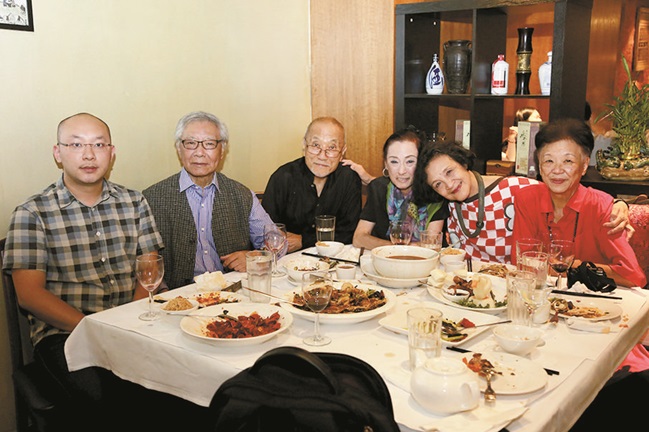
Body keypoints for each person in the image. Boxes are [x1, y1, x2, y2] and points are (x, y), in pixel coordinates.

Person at [2, 113, 165, 430]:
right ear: (58, 153)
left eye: (98, 145)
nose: (89, 155)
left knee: (179, 387)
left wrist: (128, 323)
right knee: (107, 401)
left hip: (133, 322)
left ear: (111, 152)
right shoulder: (32, 212)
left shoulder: (134, 201)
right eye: (76, 145)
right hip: (66, 334)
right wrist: (96, 331)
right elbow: (29, 295)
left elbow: (149, 268)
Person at [413, 139, 631, 265]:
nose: (449, 185)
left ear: (463, 163)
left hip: (522, 286)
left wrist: (618, 204)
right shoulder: (450, 206)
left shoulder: (515, 188)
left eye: (450, 172)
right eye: (438, 184)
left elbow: (567, 191)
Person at [142, 111, 278, 289]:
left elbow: (275, 241)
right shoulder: (151, 199)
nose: (199, 153)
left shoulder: (241, 194)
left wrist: (255, 257)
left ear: (222, 151)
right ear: (178, 149)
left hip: (234, 292)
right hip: (177, 297)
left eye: (209, 144)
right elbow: (145, 266)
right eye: (191, 143)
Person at [512, 117, 646, 287]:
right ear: (539, 165)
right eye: (549, 161)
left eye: (568, 161)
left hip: (594, 298)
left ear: (584, 165)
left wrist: (572, 267)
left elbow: (633, 276)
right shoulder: (527, 199)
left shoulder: (602, 207)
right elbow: (521, 263)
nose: (557, 170)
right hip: (540, 295)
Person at [262, 117, 362, 252]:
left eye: (332, 148)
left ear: (342, 151)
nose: (322, 156)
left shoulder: (349, 179)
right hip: (288, 259)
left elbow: (350, 232)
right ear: (304, 144)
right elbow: (267, 230)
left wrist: (304, 240)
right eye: (316, 145)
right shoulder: (282, 177)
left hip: (335, 256)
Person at [352, 127, 447, 250]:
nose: (402, 171)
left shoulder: (434, 193)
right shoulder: (379, 188)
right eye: (394, 162)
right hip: (386, 259)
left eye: (410, 161)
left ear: (421, 163)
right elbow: (359, 238)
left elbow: (431, 244)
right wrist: (396, 248)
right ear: (386, 164)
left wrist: (397, 248)